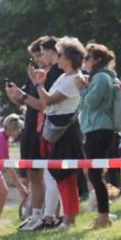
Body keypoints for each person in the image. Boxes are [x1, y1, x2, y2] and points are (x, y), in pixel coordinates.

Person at [6, 36, 64, 233]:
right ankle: (37, 214)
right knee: (33, 174)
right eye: (35, 56)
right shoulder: (36, 75)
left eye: (40, 54)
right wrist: (16, 97)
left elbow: (42, 104)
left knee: (49, 175)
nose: (38, 60)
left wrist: (23, 96)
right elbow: (26, 101)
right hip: (31, 128)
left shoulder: (57, 73)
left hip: (47, 129)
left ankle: (50, 215)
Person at [32, 38, 87, 229]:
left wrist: (39, 84)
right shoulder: (64, 77)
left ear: (70, 57)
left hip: (65, 132)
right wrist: (40, 85)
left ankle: (69, 219)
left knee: (66, 177)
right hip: (55, 130)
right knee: (59, 177)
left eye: (60, 54)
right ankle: (65, 218)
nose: (58, 57)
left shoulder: (73, 79)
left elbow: (47, 101)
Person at [80, 43, 120, 229]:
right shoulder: (99, 77)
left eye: (87, 58)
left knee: (95, 175)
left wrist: (82, 88)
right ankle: (103, 216)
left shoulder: (102, 78)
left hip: (99, 129)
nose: (84, 62)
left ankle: (104, 217)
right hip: (95, 129)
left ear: (96, 60)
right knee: (96, 175)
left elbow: (91, 102)